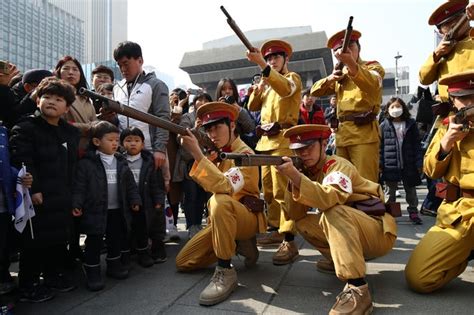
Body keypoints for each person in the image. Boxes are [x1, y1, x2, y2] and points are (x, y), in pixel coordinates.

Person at [276, 124, 397, 315]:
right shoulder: (307, 171)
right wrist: (293, 180)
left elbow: (328, 199)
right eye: (298, 150)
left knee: (333, 212)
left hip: (377, 230)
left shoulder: (337, 165)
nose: (304, 154)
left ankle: (358, 288)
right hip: (352, 227)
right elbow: (294, 214)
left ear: (324, 144)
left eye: (308, 147)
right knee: (303, 223)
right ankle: (339, 260)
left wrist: (295, 176)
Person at [175, 102, 266, 306]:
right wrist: (207, 157)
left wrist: (198, 154)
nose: (213, 133)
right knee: (184, 262)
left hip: (245, 217)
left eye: (218, 127)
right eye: (209, 129)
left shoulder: (245, 155)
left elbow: (225, 187)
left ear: (232, 125)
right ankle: (235, 243)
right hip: (223, 219)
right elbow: (203, 183)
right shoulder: (218, 151)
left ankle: (225, 268)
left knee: (220, 200)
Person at [9, 77, 80, 302]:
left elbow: (73, 165)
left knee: (58, 238)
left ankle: (52, 276)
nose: (51, 102)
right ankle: (28, 284)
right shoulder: (25, 126)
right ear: (37, 100)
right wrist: (35, 189)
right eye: (47, 97)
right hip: (36, 196)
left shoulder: (70, 132)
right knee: (33, 242)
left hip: (62, 194)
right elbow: (22, 159)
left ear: (67, 108)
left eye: (58, 99)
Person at [405, 70, 474, 293]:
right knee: (419, 278)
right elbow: (430, 171)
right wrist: (447, 142)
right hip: (459, 212)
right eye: (463, 97)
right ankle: (464, 250)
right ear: (452, 100)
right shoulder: (447, 126)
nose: (470, 102)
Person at [246, 39, 302, 261]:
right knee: (268, 190)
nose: (272, 61)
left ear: (286, 58)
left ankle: (289, 239)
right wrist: (258, 88)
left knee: (283, 192)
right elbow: (251, 106)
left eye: (276, 57)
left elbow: (285, 89)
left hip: (283, 141)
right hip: (265, 144)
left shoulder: (291, 78)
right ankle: (274, 230)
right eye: (268, 58)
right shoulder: (267, 83)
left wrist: (263, 67)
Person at [72, 121, 142, 291]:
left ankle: (114, 266)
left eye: (116, 140)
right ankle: (93, 271)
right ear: (96, 142)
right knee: (94, 242)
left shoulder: (120, 161)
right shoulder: (87, 163)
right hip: (95, 210)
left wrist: (135, 200)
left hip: (117, 210)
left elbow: (130, 185)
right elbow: (79, 186)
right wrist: (77, 203)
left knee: (115, 238)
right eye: (110, 140)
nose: (114, 144)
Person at [311, 29, 385, 183]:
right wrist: (331, 77)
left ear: (359, 47)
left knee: (366, 182)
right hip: (342, 134)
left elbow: (372, 84)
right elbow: (315, 91)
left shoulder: (373, 66)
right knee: (342, 181)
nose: (346, 51)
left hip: (363, 133)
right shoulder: (340, 74)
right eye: (339, 49)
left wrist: (351, 63)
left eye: (350, 45)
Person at [113, 41, 170, 170]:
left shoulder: (156, 85)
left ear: (140, 60)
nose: (123, 69)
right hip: (122, 154)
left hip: (149, 153)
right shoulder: (117, 88)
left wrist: (159, 149)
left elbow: (164, 118)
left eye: (126, 64)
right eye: (119, 65)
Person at [121, 127, 167, 264]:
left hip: (146, 198)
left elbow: (156, 184)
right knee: (129, 225)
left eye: (136, 140)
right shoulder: (119, 161)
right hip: (127, 200)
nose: (133, 143)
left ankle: (156, 250)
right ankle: (133, 249)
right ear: (122, 143)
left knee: (153, 225)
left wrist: (158, 200)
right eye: (128, 140)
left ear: (143, 143)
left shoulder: (149, 162)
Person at [0, 122, 33, 312]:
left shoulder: (2, 131)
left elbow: (6, 165)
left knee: (3, 248)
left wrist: (19, 177)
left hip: (4, 206)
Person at [172, 93, 212, 238]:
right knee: (191, 195)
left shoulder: (212, 118)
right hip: (189, 163)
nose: (202, 102)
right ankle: (192, 226)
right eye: (199, 100)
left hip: (207, 164)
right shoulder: (187, 117)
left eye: (206, 100)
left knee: (203, 196)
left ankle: (203, 224)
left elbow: (213, 141)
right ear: (194, 103)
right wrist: (194, 130)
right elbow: (180, 138)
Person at [419, 0, 474, 102]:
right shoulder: (439, 53)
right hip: (450, 113)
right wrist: (437, 54)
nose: (453, 24)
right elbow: (424, 79)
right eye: (447, 23)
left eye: (457, 18)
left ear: (468, 17)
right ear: (440, 31)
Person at [380, 98, 423, 225]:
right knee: (390, 192)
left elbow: (417, 145)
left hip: (409, 164)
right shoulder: (384, 125)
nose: (395, 109)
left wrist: (419, 162)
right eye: (392, 107)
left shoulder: (410, 124)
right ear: (387, 109)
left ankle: (413, 212)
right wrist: (380, 164)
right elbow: (379, 147)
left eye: (398, 106)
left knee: (411, 190)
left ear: (403, 108)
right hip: (390, 165)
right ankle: (390, 214)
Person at [55, 55, 97, 155]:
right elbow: (58, 123)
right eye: (66, 68)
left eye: (75, 69)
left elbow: (95, 124)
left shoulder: (86, 98)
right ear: (58, 72)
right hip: (64, 148)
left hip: (88, 150)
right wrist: (88, 128)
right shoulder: (54, 95)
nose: (71, 72)